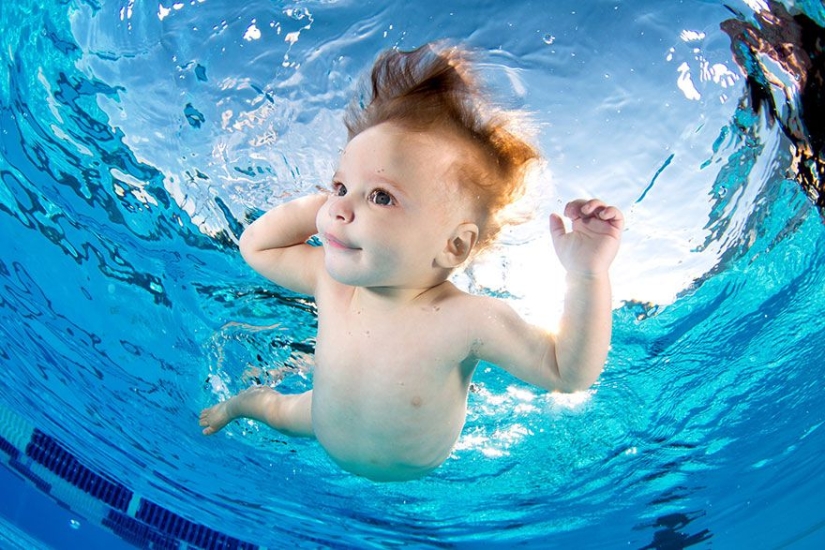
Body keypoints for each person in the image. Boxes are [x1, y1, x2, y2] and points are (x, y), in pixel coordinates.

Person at [199, 43, 624, 482]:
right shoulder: (332, 281)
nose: (341, 208)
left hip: (417, 463)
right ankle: (234, 406)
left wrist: (587, 274)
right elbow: (256, 248)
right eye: (339, 185)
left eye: (381, 196)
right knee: (268, 407)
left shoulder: (468, 320)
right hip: (319, 423)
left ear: (454, 246)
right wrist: (330, 207)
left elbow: (565, 372)